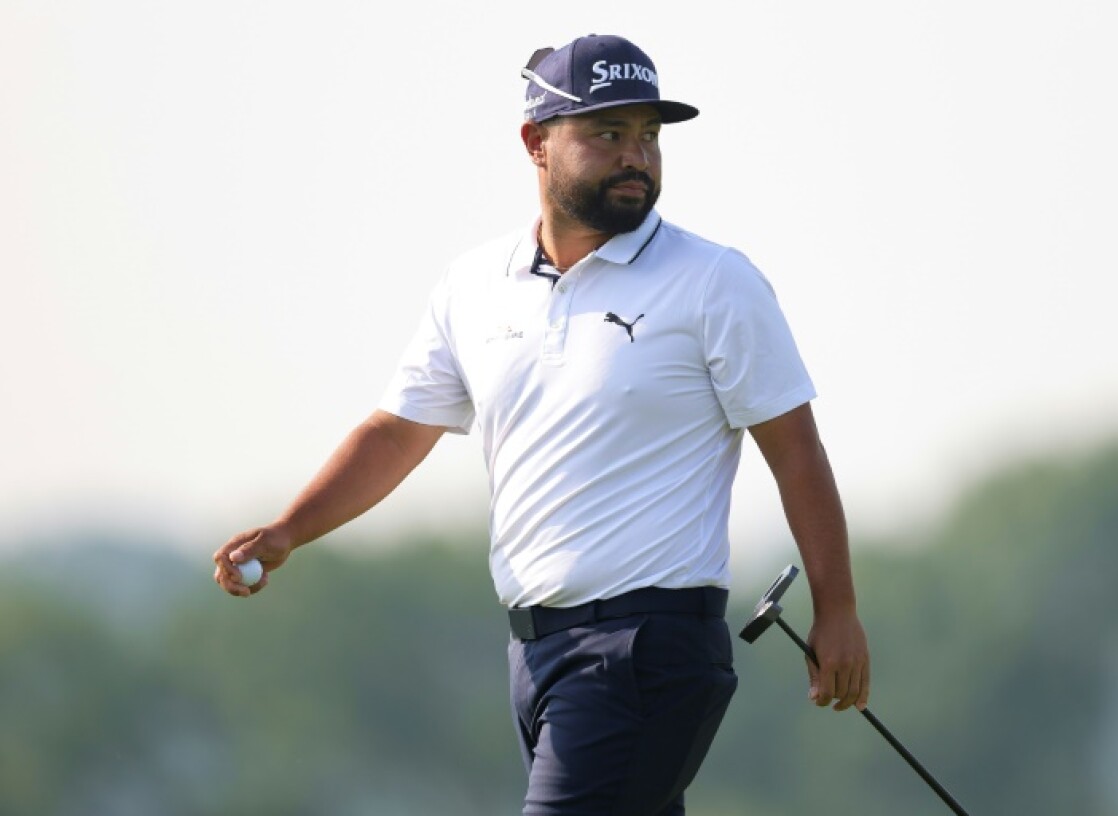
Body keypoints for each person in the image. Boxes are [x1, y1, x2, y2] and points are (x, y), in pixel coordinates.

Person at [214, 33, 870, 816]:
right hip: (537, 652)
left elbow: (796, 453)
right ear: (536, 143)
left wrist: (838, 611)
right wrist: (291, 529)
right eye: (608, 134)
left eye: (649, 136)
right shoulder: (473, 285)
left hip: (647, 650)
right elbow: (397, 433)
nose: (638, 157)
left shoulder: (713, 281)